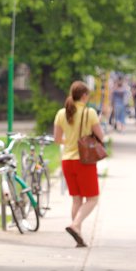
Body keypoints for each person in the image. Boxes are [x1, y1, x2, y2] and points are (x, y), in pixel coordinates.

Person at [53, 80, 104, 248]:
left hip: (67, 160)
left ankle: (79, 235)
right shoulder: (90, 113)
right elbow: (101, 136)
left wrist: (70, 141)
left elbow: (57, 139)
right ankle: (76, 225)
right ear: (84, 96)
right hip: (84, 161)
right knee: (93, 199)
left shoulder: (61, 113)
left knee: (76, 199)